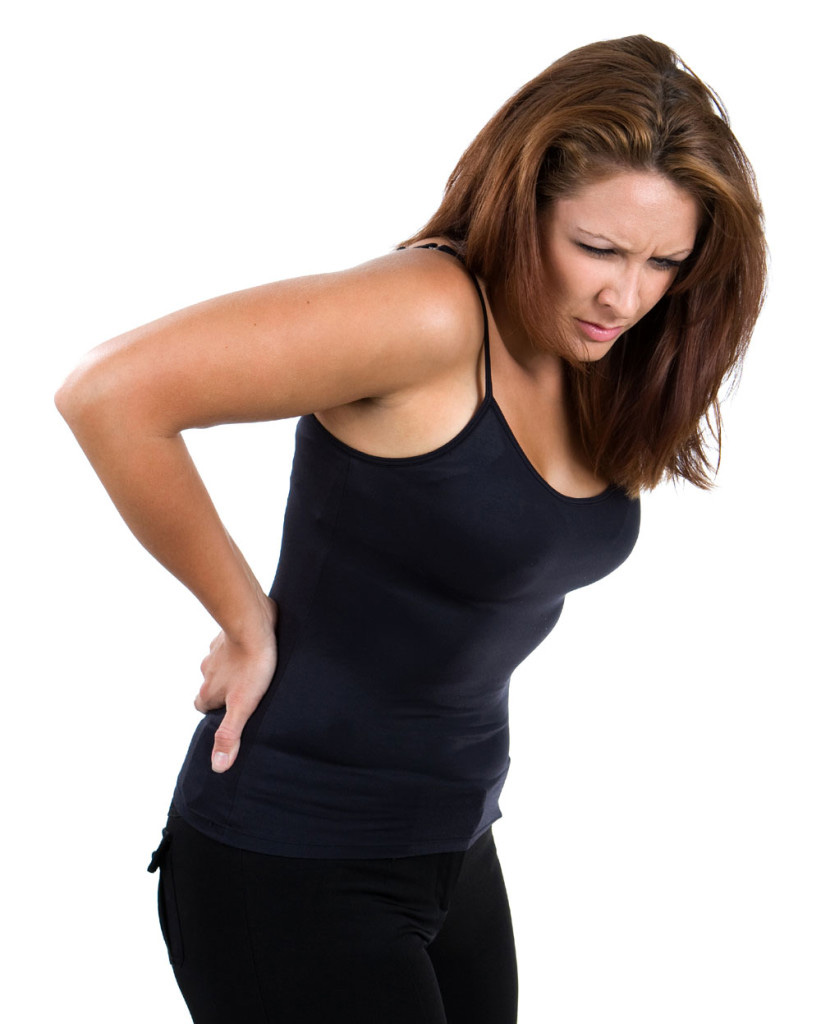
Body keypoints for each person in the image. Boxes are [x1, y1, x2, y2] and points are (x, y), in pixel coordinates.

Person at [55, 34, 766, 1024]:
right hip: (290, 856)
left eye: (664, 262)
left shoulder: (590, 352)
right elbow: (109, 393)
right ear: (522, 207)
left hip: (452, 842)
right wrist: (245, 621)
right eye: (596, 249)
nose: (626, 295)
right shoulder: (430, 314)